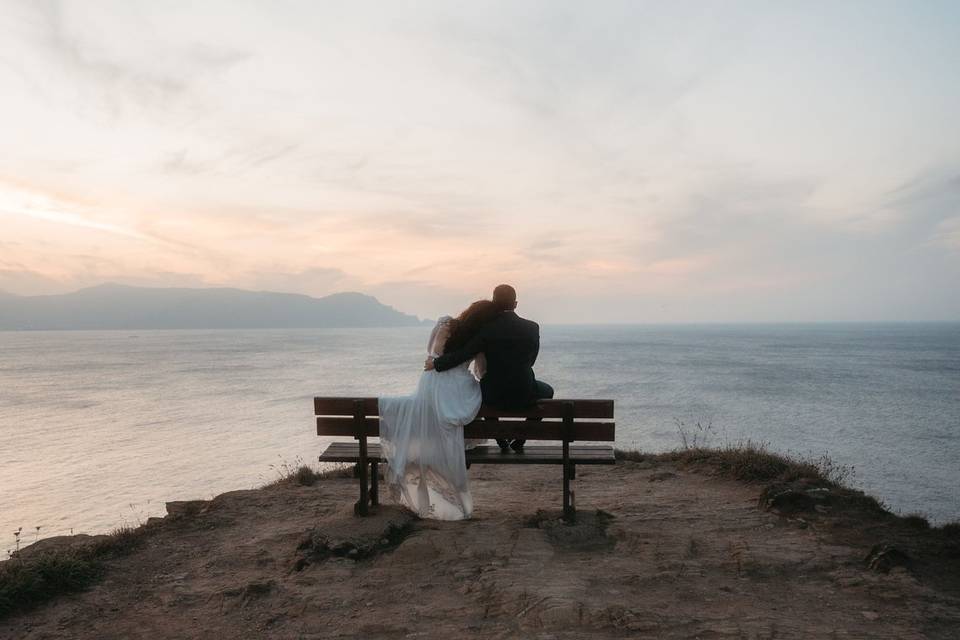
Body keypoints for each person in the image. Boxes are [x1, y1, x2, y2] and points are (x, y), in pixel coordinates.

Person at [378, 300, 499, 520]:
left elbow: (430, 352)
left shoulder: (445, 323)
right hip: (455, 389)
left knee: (429, 409)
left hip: (430, 384)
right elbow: (481, 371)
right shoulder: (480, 338)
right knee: (467, 401)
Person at [426, 284, 554, 452]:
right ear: (515, 304)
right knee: (548, 391)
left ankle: (501, 440)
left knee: (480, 393)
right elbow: (532, 361)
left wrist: (437, 364)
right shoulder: (532, 327)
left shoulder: (487, 328)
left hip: (492, 394)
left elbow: (465, 353)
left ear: (494, 302)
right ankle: (520, 439)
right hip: (524, 391)